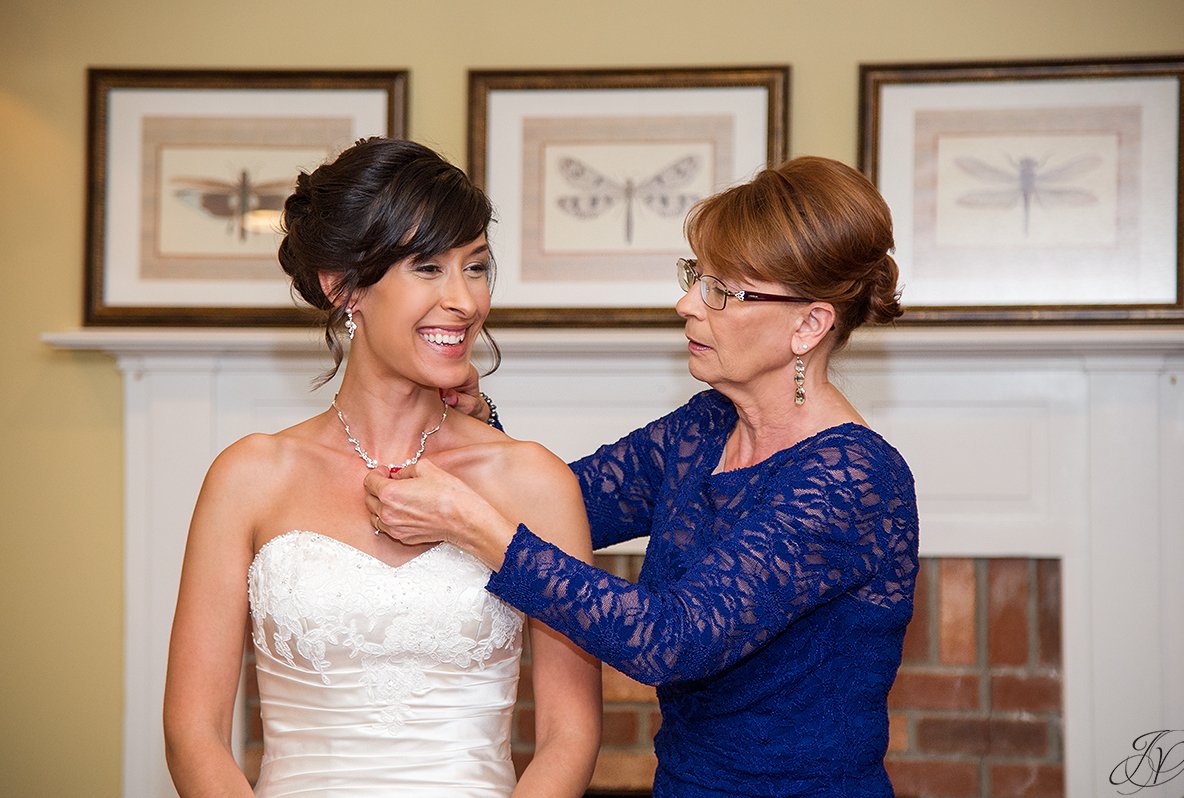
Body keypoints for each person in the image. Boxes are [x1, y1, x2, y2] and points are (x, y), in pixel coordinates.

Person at [367, 155, 920, 797]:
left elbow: (668, 639)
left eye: (723, 291)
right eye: (696, 277)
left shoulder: (853, 478)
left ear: (809, 324)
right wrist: (480, 427)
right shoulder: (706, 427)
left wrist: (474, 529)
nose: (687, 304)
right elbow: (563, 503)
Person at [163, 137, 601, 798]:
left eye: (476, 267)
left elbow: (570, 737)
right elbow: (193, 733)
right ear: (345, 287)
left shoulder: (533, 482)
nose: (465, 300)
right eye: (428, 267)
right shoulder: (249, 476)